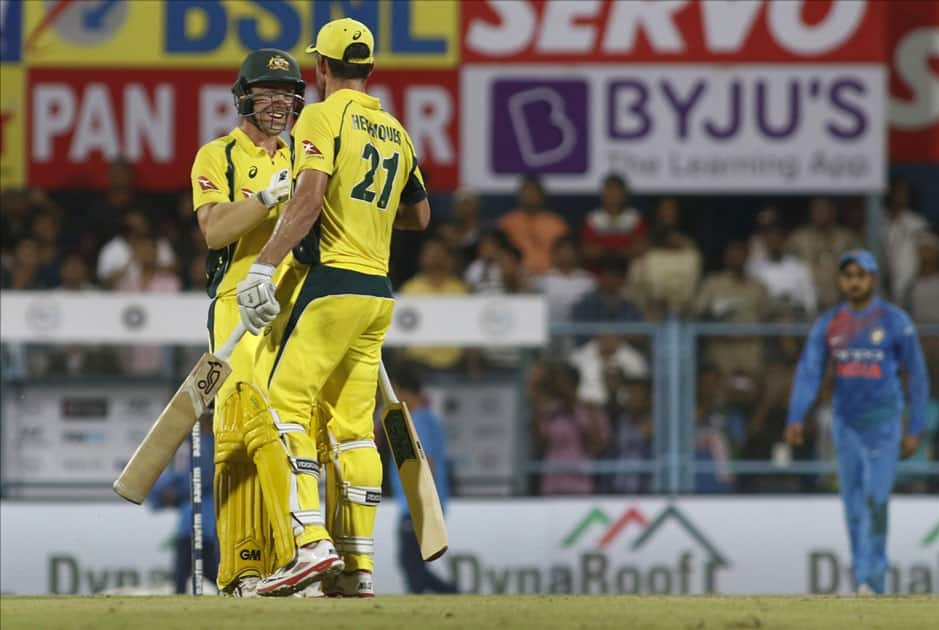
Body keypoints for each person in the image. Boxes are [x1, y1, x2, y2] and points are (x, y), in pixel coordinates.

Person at [235, 18, 430, 597]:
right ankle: (358, 567)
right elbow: (420, 216)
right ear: (370, 69)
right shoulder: (397, 130)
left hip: (333, 283)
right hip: (379, 293)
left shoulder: (322, 115)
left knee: (281, 406)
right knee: (352, 430)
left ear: (321, 68)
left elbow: (308, 198)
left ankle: (311, 543)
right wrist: (368, 209)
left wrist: (266, 264)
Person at [190, 47, 306, 597]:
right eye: (269, 91)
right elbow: (214, 233)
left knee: (287, 428)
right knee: (238, 432)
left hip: (294, 303)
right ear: (244, 96)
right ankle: (244, 569)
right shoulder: (218, 156)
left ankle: (296, 556)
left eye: (288, 93)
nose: (281, 102)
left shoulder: (306, 156)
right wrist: (264, 198)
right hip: (238, 301)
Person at [784, 249, 930, 594]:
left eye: (860, 276)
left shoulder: (895, 321)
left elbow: (919, 377)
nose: (854, 282)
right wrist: (795, 416)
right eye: (848, 276)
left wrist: (915, 428)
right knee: (852, 506)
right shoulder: (830, 323)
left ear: (873, 280)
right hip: (845, 423)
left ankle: (873, 580)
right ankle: (862, 577)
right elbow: (809, 372)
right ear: (840, 281)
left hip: (884, 423)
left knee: (877, 499)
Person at [386, 365, 457, 594]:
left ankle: (450, 595)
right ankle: (450, 595)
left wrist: (422, 503)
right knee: (411, 563)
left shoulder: (419, 421)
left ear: (404, 391)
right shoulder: (424, 418)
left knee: (410, 563)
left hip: (418, 504)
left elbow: (426, 463)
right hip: (416, 503)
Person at [148, 414, 219, 594]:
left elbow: (203, 479)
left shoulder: (211, 444)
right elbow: (179, 480)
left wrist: (176, 493)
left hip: (205, 523)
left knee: (209, 570)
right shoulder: (190, 443)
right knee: (182, 574)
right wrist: (166, 494)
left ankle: (231, 595)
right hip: (190, 524)